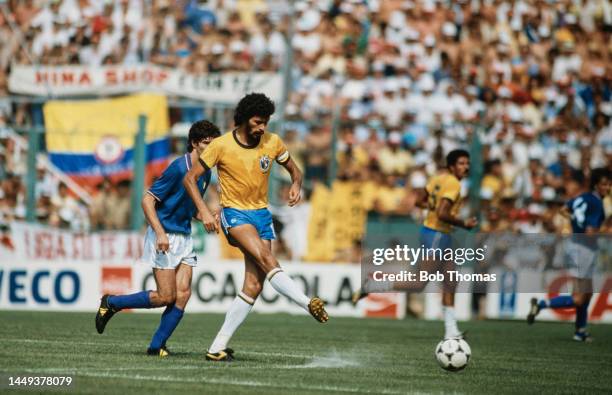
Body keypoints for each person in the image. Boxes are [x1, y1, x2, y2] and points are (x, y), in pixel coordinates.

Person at [183, 93, 328, 362]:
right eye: (258, 121)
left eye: (266, 122)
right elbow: (190, 179)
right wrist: (203, 210)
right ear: (243, 119)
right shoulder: (221, 145)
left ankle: (216, 348)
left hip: (262, 214)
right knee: (266, 257)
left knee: (253, 285)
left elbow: (296, 171)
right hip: (234, 214)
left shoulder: (272, 142)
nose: (262, 127)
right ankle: (307, 303)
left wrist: (296, 185)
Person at [94, 120, 221, 356]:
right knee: (166, 296)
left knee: (183, 295)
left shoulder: (205, 172)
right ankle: (111, 303)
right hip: (164, 235)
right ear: (194, 143)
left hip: (184, 236)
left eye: (215, 144)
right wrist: (160, 232)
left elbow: (184, 206)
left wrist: (204, 216)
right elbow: (147, 200)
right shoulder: (178, 168)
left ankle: (156, 346)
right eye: (206, 143)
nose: (211, 148)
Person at [353, 149, 478, 339]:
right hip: (437, 235)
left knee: (450, 281)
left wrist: (434, 208)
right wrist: (464, 223)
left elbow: (419, 201)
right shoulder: (453, 185)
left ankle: (451, 331)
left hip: (436, 233)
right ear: (452, 166)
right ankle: (373, 286)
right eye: (461, 163)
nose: (466, 167)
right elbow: (443, 214)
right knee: (419, 283)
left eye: (467, 163)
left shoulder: (439, 179)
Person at [527, 168, 610, 342]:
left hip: (577, 246)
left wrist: (576, 221)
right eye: (604, 184)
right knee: (579, 297)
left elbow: (564, 210)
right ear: (596, 185)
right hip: (583, 249)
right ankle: (542, 304)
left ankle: (580, 331)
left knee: (587, 293)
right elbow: (590, 233)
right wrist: (607, 230)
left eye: (609, 184)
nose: (607, 188)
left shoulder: (582, 198)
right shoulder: (596, 203)